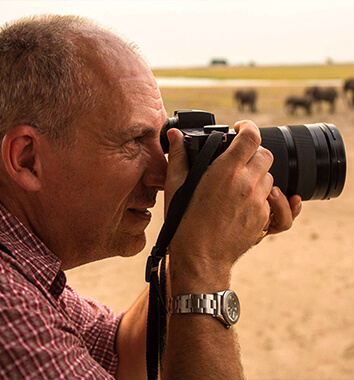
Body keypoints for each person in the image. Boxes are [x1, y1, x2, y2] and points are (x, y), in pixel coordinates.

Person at [0, 15, 302, 379]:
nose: (162, 176)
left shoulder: (24, 271)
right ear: (27, 160)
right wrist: (202, 266)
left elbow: (121, 351)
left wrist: (192, 237)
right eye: (132, 142)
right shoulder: (9, 310)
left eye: (162, 141)